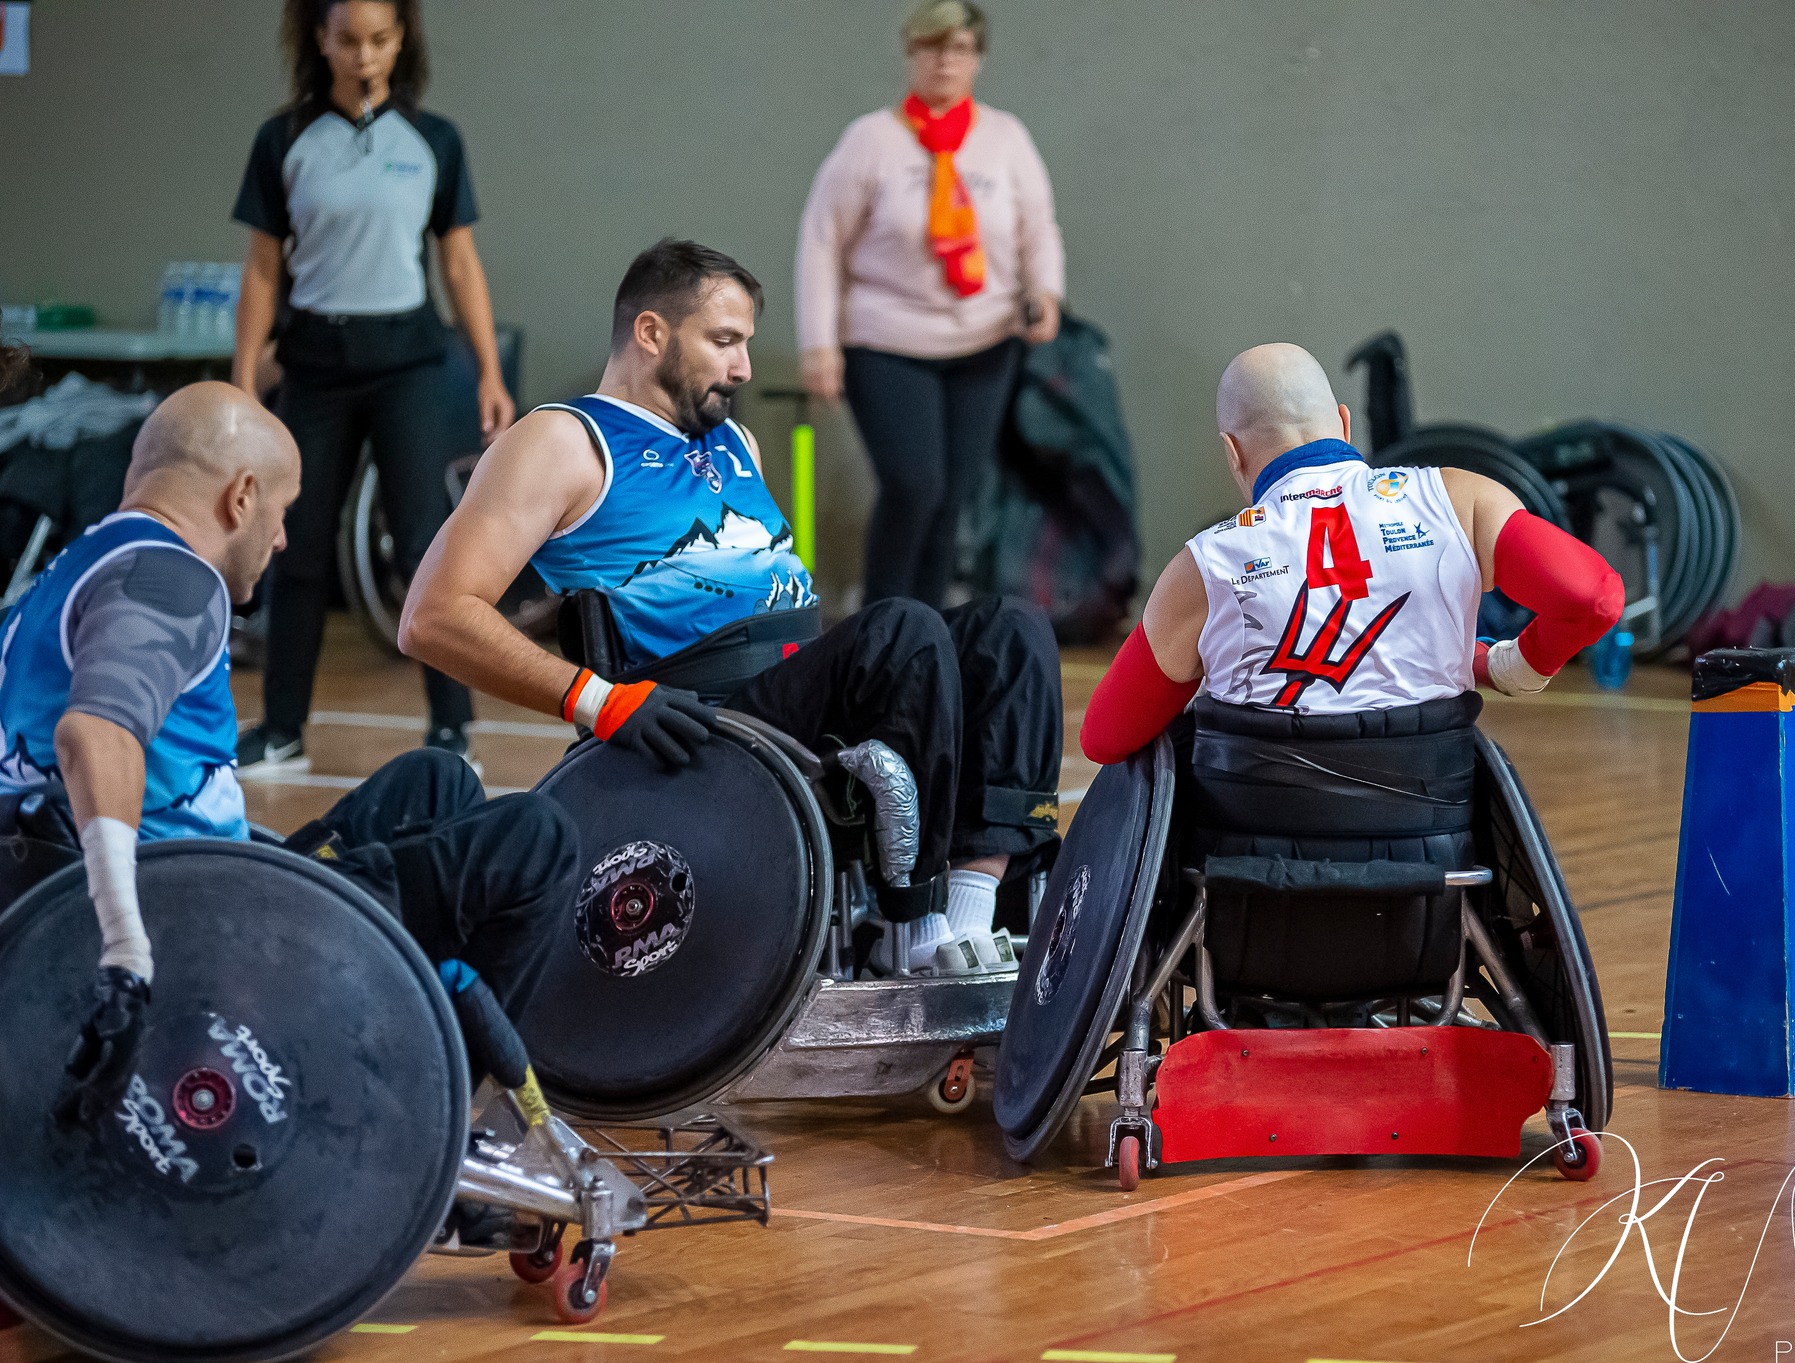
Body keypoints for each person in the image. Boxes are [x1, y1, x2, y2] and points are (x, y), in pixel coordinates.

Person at [401, 239, 1062, 977]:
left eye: (744, 343)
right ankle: (909, 928)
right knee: (902, 629)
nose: (743, 366)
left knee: (1012, 627)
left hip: (803, 686)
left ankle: (969, 920)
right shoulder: (561, 439)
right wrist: (601, 701)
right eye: (724, 342)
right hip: (707, 719)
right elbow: (432, 614)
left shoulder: (733, 437)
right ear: (651, 333)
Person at [0, 382, 577, 1128]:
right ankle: (431, 1135)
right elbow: (96, 732)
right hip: (210, 929)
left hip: (149, 888)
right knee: (538, 840)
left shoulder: (71, 567)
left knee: (432, 780)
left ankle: (404, 1036)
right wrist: (126, 950)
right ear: (241, 496)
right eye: (282, 510)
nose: (280, 539)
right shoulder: (173, 577)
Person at [1079, 344, 1625, 764]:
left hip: (1253, 858)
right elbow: (1594, 597)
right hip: (1430, 846)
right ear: (1344, 423)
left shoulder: (1204, 565)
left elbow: (1104, 738)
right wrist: (1515, 666)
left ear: (1232, 453)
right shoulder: (1460, 499)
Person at [230, 0, 513, 774]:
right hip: (315, 364)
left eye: (380, 41)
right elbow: (260, 270)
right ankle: (282, 728)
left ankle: (451, 728)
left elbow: (459, 263)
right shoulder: (284, 140)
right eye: (348, 40)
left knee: (426, 543)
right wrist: (242, 383)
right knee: (299, 547)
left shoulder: (434, 140)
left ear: (401, 44)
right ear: (319, 40)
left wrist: (488, 369)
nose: (364, 55)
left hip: (411, 363)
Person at [796, 0, 1064, 608]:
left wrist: (1045, 293)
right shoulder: (872, 140)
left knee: (953, 495)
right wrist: (820, 345)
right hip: (887, 342)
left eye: (961, 48)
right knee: (914, 484)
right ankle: (885, 620)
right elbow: (820, 242)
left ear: (979, 59)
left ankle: (928, 626)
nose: (946, 60)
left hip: (985, 341)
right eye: (932, 47)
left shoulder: (1006, 138)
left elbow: (1038, 229)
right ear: (910, 55)